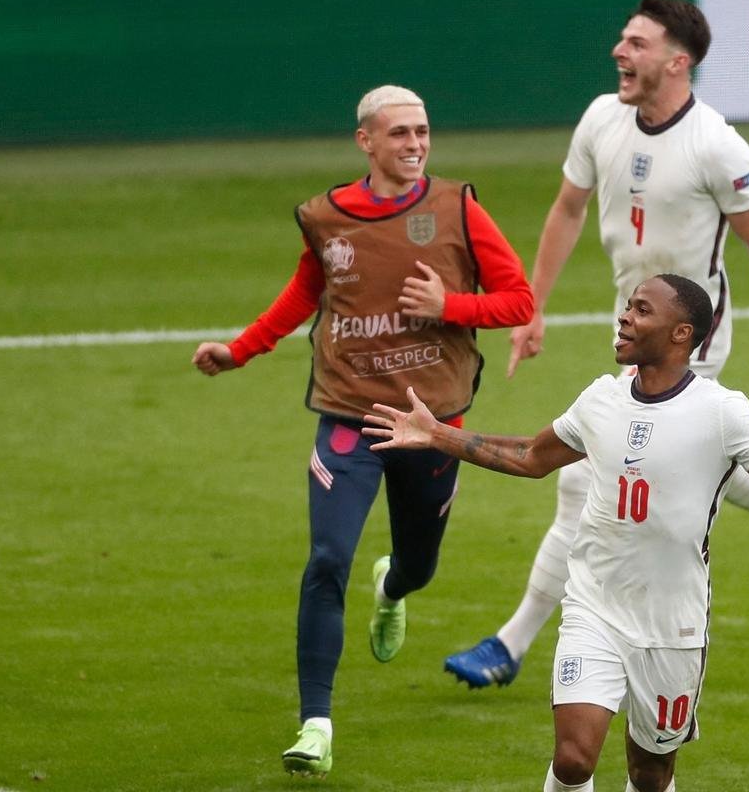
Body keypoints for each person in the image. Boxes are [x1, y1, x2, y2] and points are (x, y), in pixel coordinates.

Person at [363, 274, 749, 792]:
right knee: (572, 760)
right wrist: (438, 435)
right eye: (628, 305)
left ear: (681, 334)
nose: (624, 316)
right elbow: (531, 457)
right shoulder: (600, 399)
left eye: (642, 309)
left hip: (673, 622)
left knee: (650, 774)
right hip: (594, 603)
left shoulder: (722, 412)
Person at [444, 0, 749, 691]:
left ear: (676, 60)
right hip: (632, 323)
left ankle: (509, 645)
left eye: (635, 43)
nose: (618, 52)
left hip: (693, 339)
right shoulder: (601, 119)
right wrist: (529, 308)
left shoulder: (718, 145)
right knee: (698, 472)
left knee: (584, 478)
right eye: (621, 40)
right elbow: (566, 210)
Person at [191, 85, 534, 778]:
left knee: (418, 564)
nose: (415, 145)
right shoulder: (325, 218)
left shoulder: (456, 208)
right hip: (349, 416)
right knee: (325, 560)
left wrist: (450, 305)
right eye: (400, 133)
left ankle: (393, 591)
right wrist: (240, 349)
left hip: (431, 427)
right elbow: (304, 293)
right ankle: (315, 722)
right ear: (366, 142)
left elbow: (519, 301)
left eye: (423, 132)